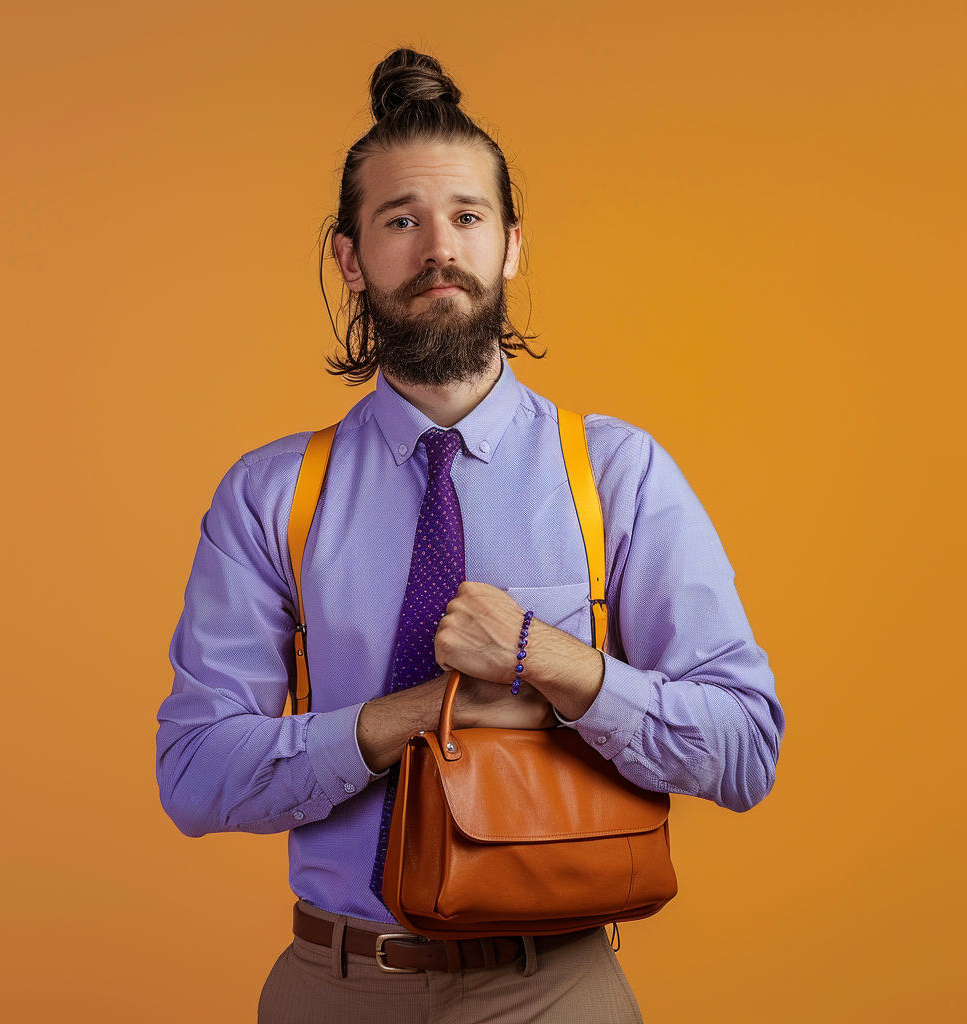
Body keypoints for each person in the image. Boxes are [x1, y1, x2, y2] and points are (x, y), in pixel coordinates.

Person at [156, 47, 785, 1024]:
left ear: (511, 246)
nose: (436, 247)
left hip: (555, 988)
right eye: (400, 220)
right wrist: (397, 721)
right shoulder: (271, 493)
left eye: (466, 216)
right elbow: (193, 774)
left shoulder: (616, 474)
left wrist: (553, 665)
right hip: (337, 987)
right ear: (350, 257)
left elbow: (746, 748)